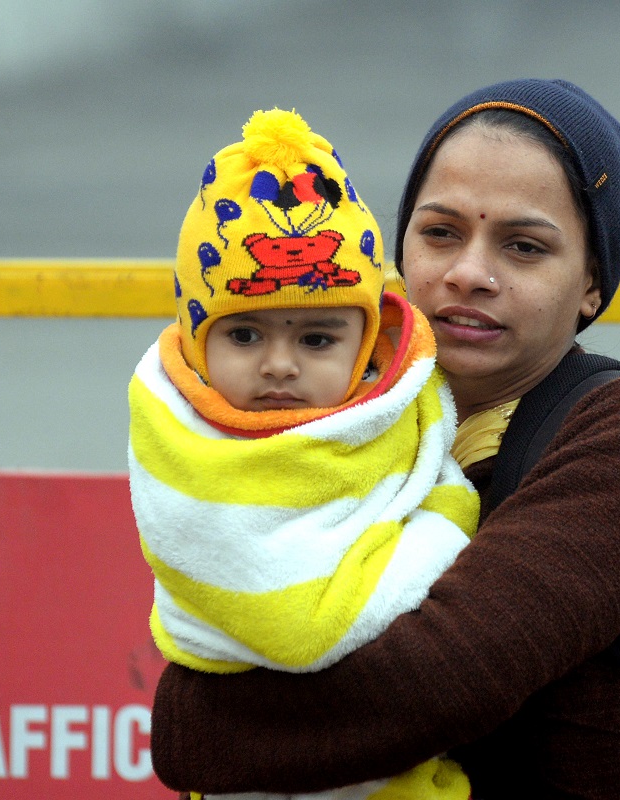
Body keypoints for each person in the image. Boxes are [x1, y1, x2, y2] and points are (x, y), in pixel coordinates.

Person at [147, 80, 620, 800]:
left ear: (593, 282)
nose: (470, 273)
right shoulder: (354, 426)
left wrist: (192, 724)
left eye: (524, 246)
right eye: (440, 232)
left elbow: (435, 684)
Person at [127, 108, 480, 800]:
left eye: (317, 340)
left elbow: (432, 485)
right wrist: (444, 530)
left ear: (368, 342)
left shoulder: (389, 411)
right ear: (198, 339)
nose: (279, 367)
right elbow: (297, 626)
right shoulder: (184, 441)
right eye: (245, 337)